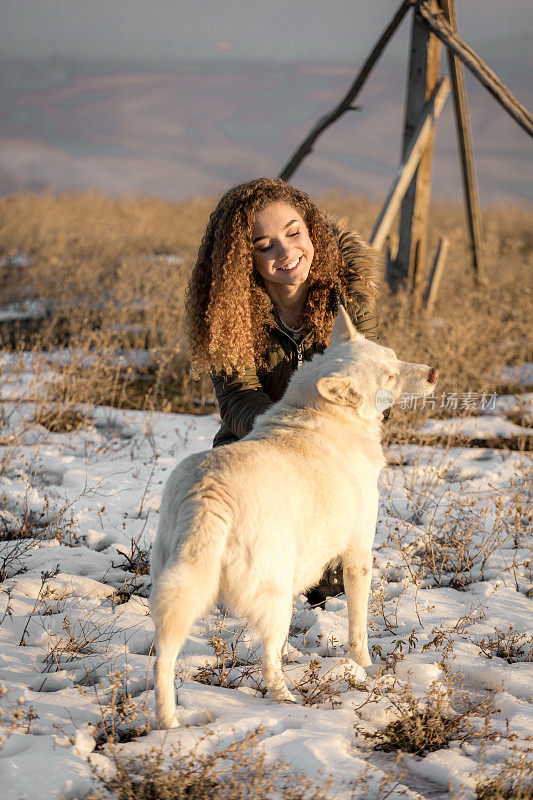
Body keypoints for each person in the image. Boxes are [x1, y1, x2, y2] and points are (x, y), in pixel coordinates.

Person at [185, 177, 383, 601]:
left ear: (312, 230)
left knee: (323, 592)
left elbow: (374, 386)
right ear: (245, 258)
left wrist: (348, 422)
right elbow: (236, 398)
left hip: (331, 455)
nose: (286, 252)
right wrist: (286, 436)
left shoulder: (349, 297)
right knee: (250, 586)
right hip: (256, 445)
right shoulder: (228, 310)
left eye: (294, 233)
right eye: (264, 245)